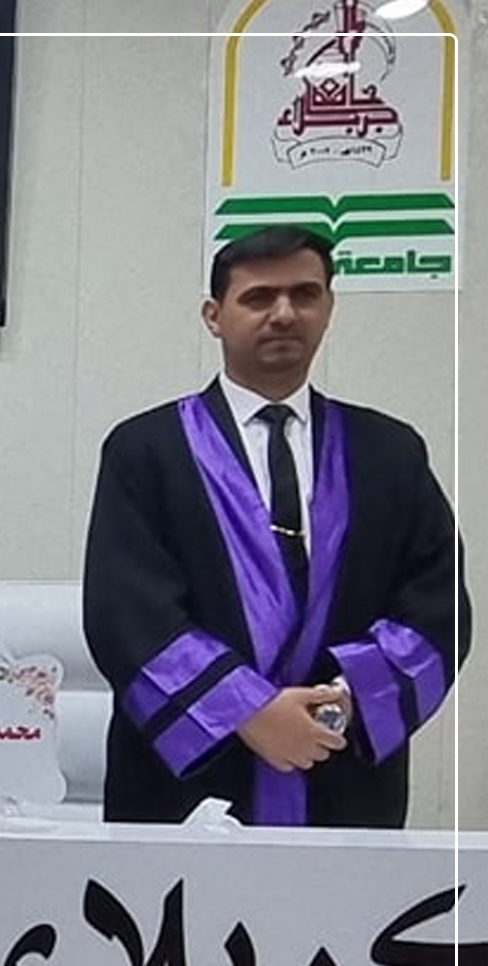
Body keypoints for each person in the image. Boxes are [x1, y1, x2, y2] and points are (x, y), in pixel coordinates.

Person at [83, 226, 470, 827]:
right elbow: (126, 612)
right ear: (214, 316)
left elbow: (437, 604)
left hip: (342, 767)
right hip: (188, 784)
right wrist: (246, 710)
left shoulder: (389, 453)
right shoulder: (146, 451)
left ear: (329, 307)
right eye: (259, 297)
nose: (284, 313)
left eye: (304, 294)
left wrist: (343, 703)